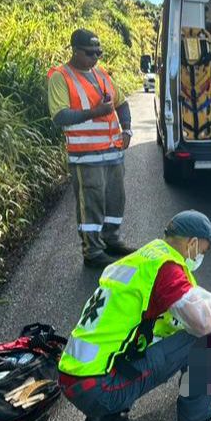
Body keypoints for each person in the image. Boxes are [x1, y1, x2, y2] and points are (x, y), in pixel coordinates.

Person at [57, 210, 211, 421]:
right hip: (100, 388)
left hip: (74, 377)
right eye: (203, 250)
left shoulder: (139, 260)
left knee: (148, 339)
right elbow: (205, 321)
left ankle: (106, 417)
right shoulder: (167, 270)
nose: (201, 256)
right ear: (192, 243)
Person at [49, 28, 135, 268]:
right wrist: (96, 112)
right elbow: (60, 116)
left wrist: (127, 129)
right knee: (92, 204)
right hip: (86, 157)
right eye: (90, 53)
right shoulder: (61, 76)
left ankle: (111, 240)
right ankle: (93, 252)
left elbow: (122, 102)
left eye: (99, 52)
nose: (95, 57)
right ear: (75, 51)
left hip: (113, 153)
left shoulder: (101, 74)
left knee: (115, 200)